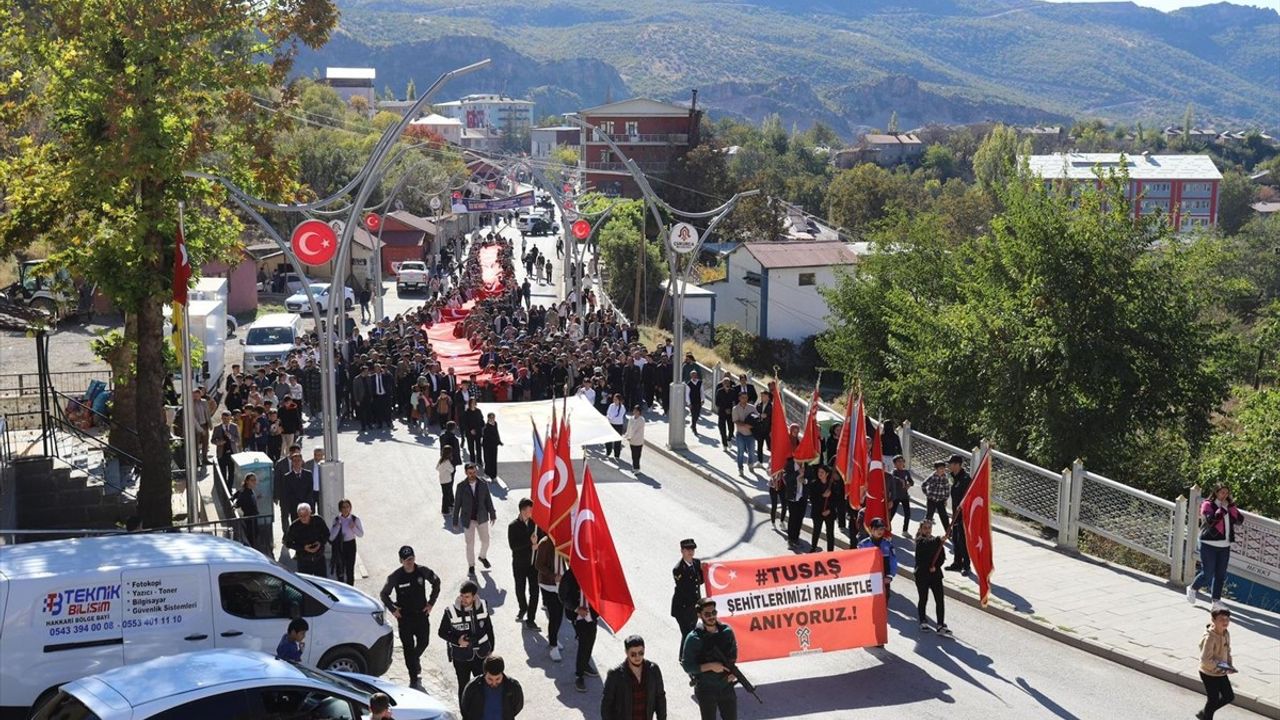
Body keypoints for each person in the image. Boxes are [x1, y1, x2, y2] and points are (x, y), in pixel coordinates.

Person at [380, 545, 442, 691]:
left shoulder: (422, 571)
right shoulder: (396, 576)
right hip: (405, 618)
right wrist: (393, 609)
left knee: (424, 642)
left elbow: (436, 582)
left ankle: (415, 659)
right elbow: (384, 594)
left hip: (421, 615)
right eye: (407, 560)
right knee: (408, 649)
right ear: (401, 560)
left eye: (412, 559)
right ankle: (413, 678)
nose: (410, 562)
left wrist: (431, 603)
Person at [1188, 484, 1245, 610]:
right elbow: (1210, 520)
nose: (1225, 495)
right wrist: (1223, 510)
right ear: (1216, 492)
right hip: (1208, 544)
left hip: (1225, 545)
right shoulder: (1208, 504)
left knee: (1220, 574)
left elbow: (1240, 520)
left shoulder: (1228, 506)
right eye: (1222, 492)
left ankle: (1216, 601)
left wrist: (1232, 507)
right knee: (1207, 573)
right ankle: (1192, 588)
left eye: (1227, 493)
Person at [682, 598, 738, 720]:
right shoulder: (694, 638)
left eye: (714, 613)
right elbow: (687, 666)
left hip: (726, 687)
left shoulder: (726, 632)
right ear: (699, 615)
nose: (711, 617)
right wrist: (710, 666)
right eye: (707, 614)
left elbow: (733, 656)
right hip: (706, 688)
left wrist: (733, 673)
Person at [602, 635, 668, 720]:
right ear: (626, 652)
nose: (637, 657)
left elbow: (660, 699)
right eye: (633, 654)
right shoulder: (615, 675)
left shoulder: (653, 670)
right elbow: (606, 707)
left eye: (641, 653)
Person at [559, 567, 599, 693]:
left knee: (591, 640)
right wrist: (576, 609)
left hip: (591, 614)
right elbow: (563, 597)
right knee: (584, 643)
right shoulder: (570, 575)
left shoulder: (594, 571)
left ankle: (585, 664)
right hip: (578, 616)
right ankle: (579, 675)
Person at [453, 463, 497, 577]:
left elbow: (488, 500)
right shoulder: (461, 487)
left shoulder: (483, 484)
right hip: (468, 519)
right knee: (470, 544)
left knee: (486, 541)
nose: (472, 475)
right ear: (466, 473)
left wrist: (492, 513)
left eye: (474, 472)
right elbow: (457, 504)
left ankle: (482, 556)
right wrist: (455, 520)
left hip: (482, 517)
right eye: (470, 473)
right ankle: (471, 566)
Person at [508, 499, 541, 630]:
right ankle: (523, 607)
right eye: (529, 510)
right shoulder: (513, 526)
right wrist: (530, 543)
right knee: (520, 589)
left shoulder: (536, 524)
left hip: (533, 564)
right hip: (519, 564)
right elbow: (514, 546)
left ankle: (531, 618)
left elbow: (542, 538)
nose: (531, 512)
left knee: (535, 591)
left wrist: (538, 545)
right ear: (522, 511)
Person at [1197, 607, 1236, 720]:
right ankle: (1206, 717)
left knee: (1229, 697)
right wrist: (1220, 667)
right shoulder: (1210, 638)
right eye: (1221, 619)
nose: (1225, 622)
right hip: (1208, 673)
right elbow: (1205, 660)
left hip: (1221, 671)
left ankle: (1204, 713)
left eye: (1227, 619)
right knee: (1213, 700)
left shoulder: (1225, 633)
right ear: (1213, 620)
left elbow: (1227, 649)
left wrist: (1229, 665)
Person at [913, 519, 950, 635]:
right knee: (923, 599)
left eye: (929, 528)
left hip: (935, 575)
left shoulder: (935, 541)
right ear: (920, 529)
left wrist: (936, 566)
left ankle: (940, 624)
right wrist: (939, 539)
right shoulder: (920, 541)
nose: (927, 530)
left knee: (940, 600)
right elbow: (924, 550)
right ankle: (922, 620)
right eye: (925, 528)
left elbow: (942, 557)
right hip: (922, 575)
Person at [461, 655, 524, 720]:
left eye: (497, 679)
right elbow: (466, 707)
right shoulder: (473, 686)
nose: (494, 683)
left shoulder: (513, 686)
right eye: (490, 679)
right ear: (485, 674)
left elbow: (517, 706)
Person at [534, 532, 565, 662]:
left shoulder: (565, 542)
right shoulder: (545, 543)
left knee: (559, 615)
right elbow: (539, 565)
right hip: (548, 585)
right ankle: (553, 646)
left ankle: (554, 637)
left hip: (561, 584)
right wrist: (553, 576)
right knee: (555, 615)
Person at [671, 539, 703, 661]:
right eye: (688, 549)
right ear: (682, 551)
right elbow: (685, 589)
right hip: (682, 608)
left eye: (692, 549)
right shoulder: (678, 569)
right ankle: (684, 657)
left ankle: (686, 656)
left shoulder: (696, 563)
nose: (691, 552)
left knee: (690, 631)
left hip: (693, 607)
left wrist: (704, 570)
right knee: (687, 632)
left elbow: (700, 581)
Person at [858, 518, 898, 601]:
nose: (880, 531)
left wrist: (890, 576)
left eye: (882, 529)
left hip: (884, 578)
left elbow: (893, 561)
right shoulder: (863, 545)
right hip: (869, 579)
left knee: (884, 601)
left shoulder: (887, 544)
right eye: (877, 529)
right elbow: (858, 562)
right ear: (871, 529)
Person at [946, 454, 972, 576]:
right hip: (956, 515)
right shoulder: (955, 478)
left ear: (957, 465)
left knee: (962, 541)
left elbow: (968, 498)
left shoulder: (965, 479)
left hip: (964, 516)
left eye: (951, 464)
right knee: (956, 540)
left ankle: (966, 565)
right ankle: (957, 563)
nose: (949, 466)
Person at [286, 503, 328, 577]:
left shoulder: (318, 520)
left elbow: (326, 534)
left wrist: (320, 543)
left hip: (319, 558)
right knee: (306, 584)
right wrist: (303, 548)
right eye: (301, 516)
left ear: (310, 512)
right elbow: (288, 543)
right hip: (304, 560)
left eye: (306, 515)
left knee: (322, 581)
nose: (304, 518)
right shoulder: (294, 526)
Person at [329, 499, 364, 586]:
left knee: (350, 569)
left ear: (350, 508)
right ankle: (341, 587)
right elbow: (331, 537)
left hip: (351, 545)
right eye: (343, 507)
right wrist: (337, 527)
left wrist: (353, 527)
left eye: (347, 507)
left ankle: (350, 588)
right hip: (340, 546)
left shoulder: (355, 519)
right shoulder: (337, 519)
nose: (346, 509)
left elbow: (361, 534)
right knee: (340, 569)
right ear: (340, 509)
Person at [809, 465, 840, 552]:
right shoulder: (814, 484)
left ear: (827, 474)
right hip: (817, 512)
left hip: (829, 513)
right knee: (816, 531)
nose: (820, 474)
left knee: (830, 533)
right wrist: (823, 496)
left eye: (822, 472)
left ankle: (830, 552)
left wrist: (829, 510)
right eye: (819, 472)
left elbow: (837, 500)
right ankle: (813, 547)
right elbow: (812, 499)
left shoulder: (832, 485)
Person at [231, 472, 261, 549]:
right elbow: (239, 502)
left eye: (255, 480)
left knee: (255, 538)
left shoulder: (249, 490)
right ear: (247, 481)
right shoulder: (245, 493)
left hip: (254, 519)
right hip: (249, 520)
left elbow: (237, 493)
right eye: (252, 480)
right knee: (251, 539)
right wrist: (234, 504)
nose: (254, 482)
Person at [730, 392, 757, 475]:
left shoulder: (752, 408)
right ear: (739, 398)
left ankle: (750, 464)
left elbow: (757, 418)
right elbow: (735, 420)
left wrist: (753, 425)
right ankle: (740, 469)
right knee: (740, 452)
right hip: (740, 434)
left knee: (751, 452)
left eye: (746, 398)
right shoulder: (735, 409)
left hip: (751, 434)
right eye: (742, 398)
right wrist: (745, 425)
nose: (744, 399)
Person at [888, 455, 914, 535]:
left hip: (904, 496)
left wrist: (908, 485)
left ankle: (905, 530)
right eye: (898, 462)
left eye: (902, 461)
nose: (900, 463)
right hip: (896, 496)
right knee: (892, 513)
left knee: (907, 513)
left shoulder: (906, 472)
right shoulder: (894, 471)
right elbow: (892, 477)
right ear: (895, 464)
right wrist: (901, 480)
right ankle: (886, 528)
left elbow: (911, 482)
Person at [211, 411, 240, 482]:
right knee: (222, 472)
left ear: (230, 418)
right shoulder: (217, 428)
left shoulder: (234, 427)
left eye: (227, 419)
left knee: (231, 472)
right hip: (222, 453)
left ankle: (229, 488)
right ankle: (224, 487)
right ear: (221, 418)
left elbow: (238, 440)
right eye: (224, 419)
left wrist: (230, 436)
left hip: (232, 452)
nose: (226, 420)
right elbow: (212, 440)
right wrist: (218, 442)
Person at [922, 460, 950, 528]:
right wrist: (927, 494)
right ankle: (925, 530)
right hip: (931, 499)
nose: (943, 470)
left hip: (941, 500)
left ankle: (948, 532)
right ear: (936, 469)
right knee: (929, 516)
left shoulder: (945, 478)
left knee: (944, 516)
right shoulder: (932, 476)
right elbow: (923, 485)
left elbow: (947, 489)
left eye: (943, 468)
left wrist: (945, 499)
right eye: (941, 468)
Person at [714, 378, 736, 448]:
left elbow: (734, 402)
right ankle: (725, 444)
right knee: (722, 429)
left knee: (731, 429)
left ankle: (729, 439)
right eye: (725, 382)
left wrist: (732, 410)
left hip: (730, 413)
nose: (727, 384)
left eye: (728, 382)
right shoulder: (719, 391)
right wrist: (724, 409)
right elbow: (717, 403)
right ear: (723, 384)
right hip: (722, 413)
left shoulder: (733, 391)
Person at [461, 397, 484, 462]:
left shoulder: (478, 411)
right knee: (471, 448)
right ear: (470, 403)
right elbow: (464, 423)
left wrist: (481, 428)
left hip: (478, 432)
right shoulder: (466, 412)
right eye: (472, 402)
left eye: (474, 402)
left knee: (478, 447)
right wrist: (470, 430)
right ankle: (472, 460)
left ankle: (479, 460)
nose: (473, 404)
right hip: (469, 433)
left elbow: (481, 421)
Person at [482, 412, 503, 481]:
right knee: (488, 460)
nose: (492, 419)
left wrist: (499, 441)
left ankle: (494, 476)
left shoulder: (495, 424)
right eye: (491, 417)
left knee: (493, 460)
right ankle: (486, 474)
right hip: (487, 446)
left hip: (494, 446)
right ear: (488, 418)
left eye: (493, 417)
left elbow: (496, 432)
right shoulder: (486, 427)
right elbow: (486, 437)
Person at [625, 404, 646, 472]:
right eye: (634, 410)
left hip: (638, 441)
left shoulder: (641, 420)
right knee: (633, 454)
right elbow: (629, 428)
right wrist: (627, 435)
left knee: (637, 455)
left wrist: (632, 437)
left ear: (639, 412)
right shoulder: (631, 418)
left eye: (636, 410)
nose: (634, 412)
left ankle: (637, 468)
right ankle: (634, 467)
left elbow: (639, 431)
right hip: (632, 441)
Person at [606, 393, 626, 460]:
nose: (615, 400)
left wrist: (611, 417)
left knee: (617, 441)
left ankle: (617, 455)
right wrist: (609, 417)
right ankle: (608, 451)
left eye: (616, 399)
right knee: (608, 439)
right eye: (614, 399)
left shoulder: (622, 407)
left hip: (618, 425)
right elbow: (608, 413)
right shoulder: (611, 405)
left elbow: (619, 416)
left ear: (619, 400)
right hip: (611, 424)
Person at [438, 445, 457, 516]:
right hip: (447, 480)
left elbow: (437, 468)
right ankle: (445, 510)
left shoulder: (441, 460)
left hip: (442, 480)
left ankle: (448, 507)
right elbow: (452, 470)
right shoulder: (447, 462)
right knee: (446, 495)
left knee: (445, 494)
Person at [686, 371, 704, 436]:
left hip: (698, 401)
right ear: (691, 376)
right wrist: (689, 403)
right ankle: (694, 427)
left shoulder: (700, 382)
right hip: (692, 402)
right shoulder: (688, 384)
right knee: (694, 415)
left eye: (695, 375)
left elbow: (702, 391)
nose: (694, 376)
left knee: (697, 414)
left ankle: (693, 424)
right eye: (693, 375)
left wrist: (702, 399)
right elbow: (687, 394)